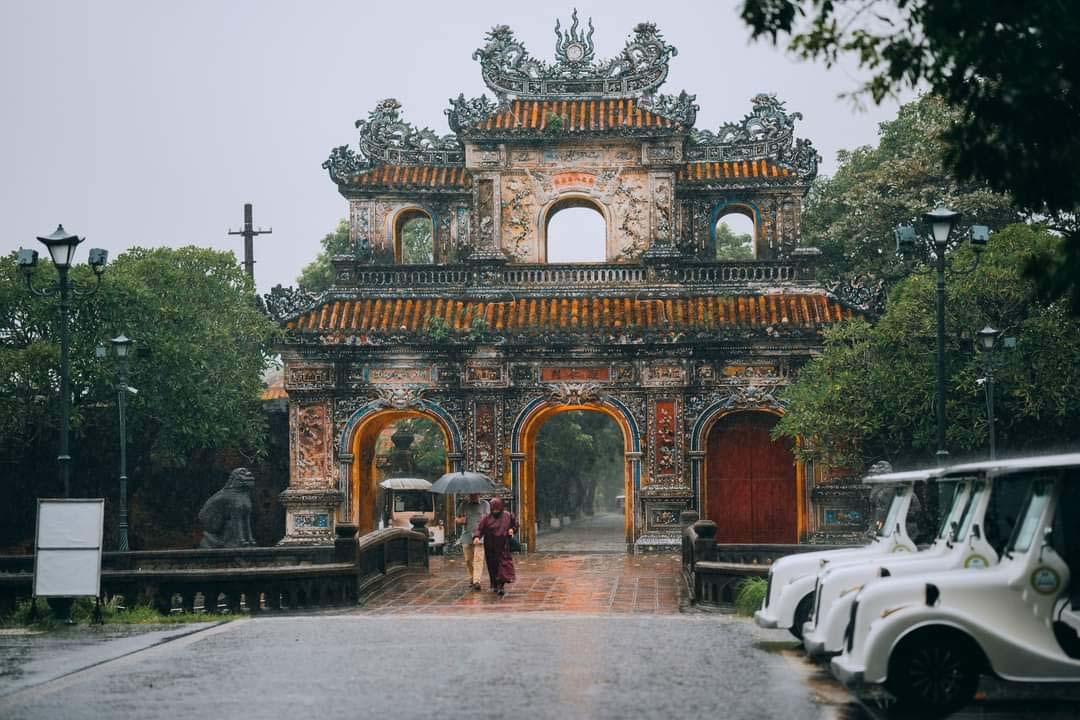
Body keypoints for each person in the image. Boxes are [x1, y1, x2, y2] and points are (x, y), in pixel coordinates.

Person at [473, 497, 518, 597]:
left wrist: (512, 529)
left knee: (502, 565)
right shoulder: (487, 518)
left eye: (497, 509)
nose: (496, 511)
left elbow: (515, 525)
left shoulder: (507, 515)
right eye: (494, 509)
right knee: (492, 566)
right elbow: (480, 528)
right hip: (490, 546)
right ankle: (494, 583)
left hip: (503, 545)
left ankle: (500, 585)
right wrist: (477, 537)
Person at [455, 493, 490, 590]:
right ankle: (472, 576)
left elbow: (489, 519)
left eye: (475, 493)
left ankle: (476, 581)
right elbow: (456, 519)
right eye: (471, 493)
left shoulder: (485, 504)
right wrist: (460, 520)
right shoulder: (463, 505)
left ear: (479, 493)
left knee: (478, 559)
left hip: (480, 537)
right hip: (467, 535)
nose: (473, 495)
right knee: (468, 560)